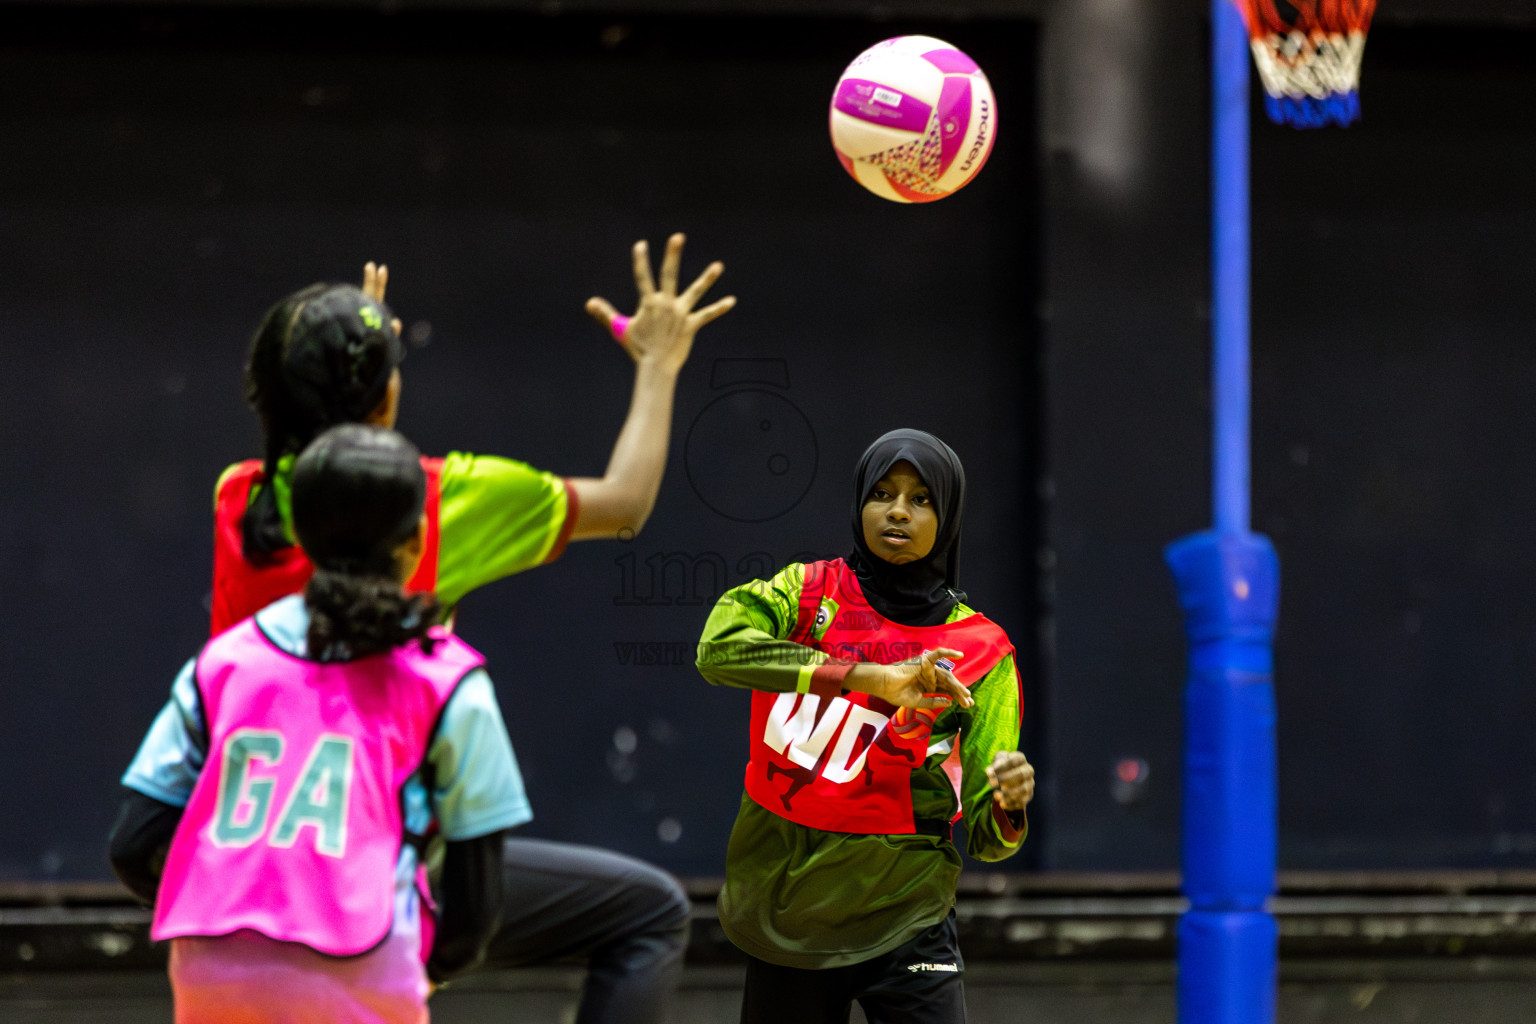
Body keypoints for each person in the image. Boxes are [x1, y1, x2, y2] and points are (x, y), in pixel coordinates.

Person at [172, 235, 729, 1023]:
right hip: (371, 870)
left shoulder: (240, 502)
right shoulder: (441, 506)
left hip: (243, 872)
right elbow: (627, 500)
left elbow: (347, 477)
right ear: (386, 399)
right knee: (649, 915)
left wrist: (360, 359)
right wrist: (659, 362)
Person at [112, 425, 524, 1023]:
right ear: (416, 539)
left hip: (209, 973)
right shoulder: (449, 678)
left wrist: (236, 932)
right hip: (367, 970)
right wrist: (408, 966)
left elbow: (132, 846)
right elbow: (473, 913)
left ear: (302, 537)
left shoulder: (223, 662)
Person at [694, 428, 1037, 1024]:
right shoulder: (805, 593)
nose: (898, 510)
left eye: (921, 498)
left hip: (910, 909)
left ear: (948, 515)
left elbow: (988, 839)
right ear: (859, 505)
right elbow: (716, 651)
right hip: (789, 908)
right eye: (882, 493)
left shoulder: (982, 650)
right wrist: (869, 678)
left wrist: (1008, 803)